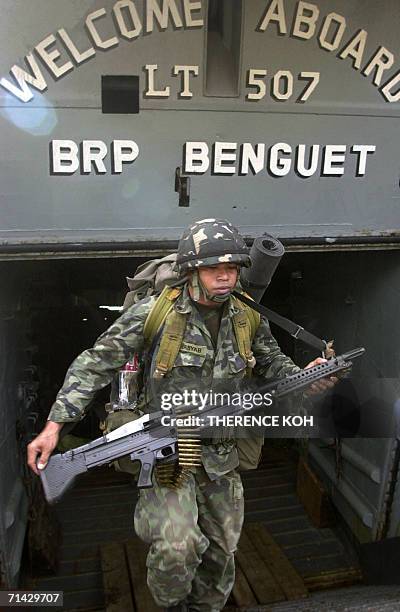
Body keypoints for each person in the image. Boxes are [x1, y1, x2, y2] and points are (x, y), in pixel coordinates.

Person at [27, 218, 334, 612]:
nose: (224, 278)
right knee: (178, 547)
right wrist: (55, 426)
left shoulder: (246, 315)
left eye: (232, 269)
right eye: (213, 269)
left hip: (222, 454)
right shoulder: (154, 313)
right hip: (168, 451)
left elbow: (272, 363)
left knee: (222, 552)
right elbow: (94, 365)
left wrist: (305, 378)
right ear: (192, 270)